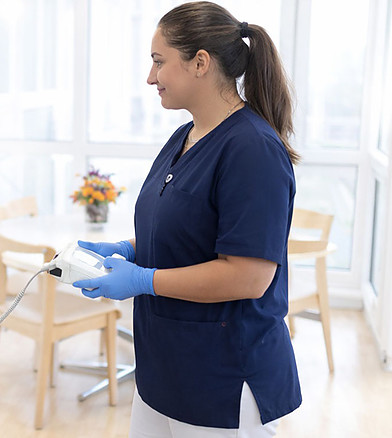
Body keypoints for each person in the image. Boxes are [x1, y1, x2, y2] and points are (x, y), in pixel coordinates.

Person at [73, 2, 300, 436]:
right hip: (163, 368)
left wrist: (143, 280)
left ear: (200, 63)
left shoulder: (252, 150)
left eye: (159, 62)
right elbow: (190, 235)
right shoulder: (186, 136)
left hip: (223, 378)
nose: (150, 77)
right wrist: (129, 251)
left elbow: (248, 277)